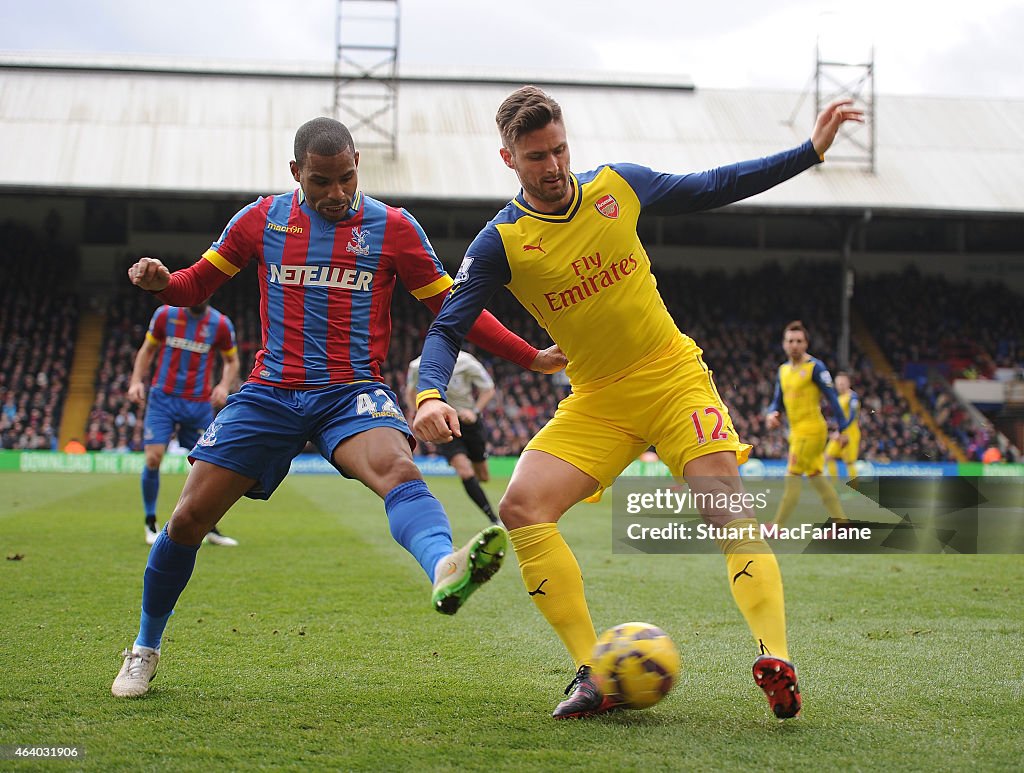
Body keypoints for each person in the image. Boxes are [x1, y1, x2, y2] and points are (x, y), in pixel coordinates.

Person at [414, 86, 863, 720]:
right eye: (536, 156)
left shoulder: (617, 186)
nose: (553, 166)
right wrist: (430, 391)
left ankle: (775, 655)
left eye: (560, 149)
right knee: (521, 507)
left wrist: (809, 152)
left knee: (726, 508)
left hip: (673, 378)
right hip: (597, 400)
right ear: (508, 158)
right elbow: (446, 326)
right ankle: (592, 671)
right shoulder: (501, 243)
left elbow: (712, 185)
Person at [112, 116, 565, 699]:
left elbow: (453, 309)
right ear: (296, 172)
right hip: (271, 392)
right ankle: (144, 649)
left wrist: (530, 357)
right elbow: (194, 287)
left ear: (358, 167)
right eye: (322, 182)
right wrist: (160, 281)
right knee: (187, 520)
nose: (336, 193)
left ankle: (443, 567)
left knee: (399, 470)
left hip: (352, 392)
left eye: (346, 178)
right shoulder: (260, 220)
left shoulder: (393, 228)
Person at [128, 300, 241, 546]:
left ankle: (209, 526)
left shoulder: (219, 324)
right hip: (163, 399)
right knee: (153, 458)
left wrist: (223, 386)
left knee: (209, 466)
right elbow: (147, 349)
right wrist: (136, 381)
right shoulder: (165, 315)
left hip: (198, 404)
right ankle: (150, 523)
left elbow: (232, 361)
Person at [766, 321, 853, 526]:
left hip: (811, 431)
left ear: (806, 344)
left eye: (799, 341)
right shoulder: (783, 370)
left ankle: (777, 526)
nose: (794, 345)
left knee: (792, 476)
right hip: (795, 432)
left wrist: (843, 430)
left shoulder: (815, 367)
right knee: (816, 477)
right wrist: (772, 413)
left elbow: (832, 398)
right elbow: (777, 400)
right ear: (784, 344)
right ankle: (842, 523)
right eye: (790, 341)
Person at [406, 351, 500, 525]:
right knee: (464, 471)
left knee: (483, 476)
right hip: (443, 423)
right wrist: (418, 411)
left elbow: (488, 389)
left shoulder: (466, 361)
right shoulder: (417, 366)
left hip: (469, 422)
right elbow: (410, 391)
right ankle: (494, 519)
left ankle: (474, 477)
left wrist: (475, 411)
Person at [824, 371, 861, 488]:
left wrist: (840, 431)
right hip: (840, 433)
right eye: (838, 383)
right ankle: (834, 486)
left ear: (848, 383)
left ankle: (855, 489)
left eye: (843, 383)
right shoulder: (839, 398)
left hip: (850, 434)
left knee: (849, 462)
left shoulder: (853, 397)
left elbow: (852, 416)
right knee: (828, 456)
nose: (840, 385)